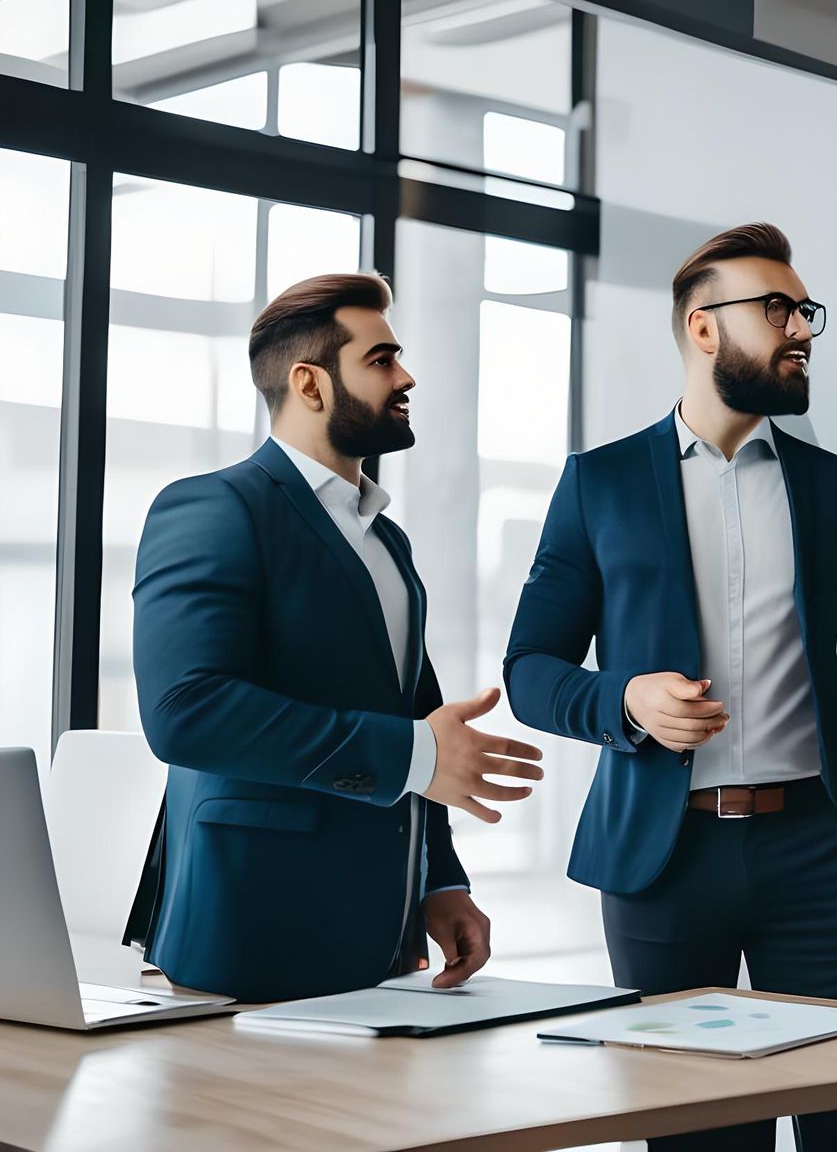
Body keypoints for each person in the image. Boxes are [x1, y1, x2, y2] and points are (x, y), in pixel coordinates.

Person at [504, 223, 837, 1151]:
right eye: (777, 309)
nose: (802, 330)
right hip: (664, 863)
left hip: (828, 852)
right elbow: (529, 671)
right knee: (693, 1129)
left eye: (805, 311)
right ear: (704, 328)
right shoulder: (599, 485)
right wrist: (625, 701)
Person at [131, 273, 543, 1003]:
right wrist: (414, 752)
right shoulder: (213, 507)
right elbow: (187, 712)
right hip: (248, 939)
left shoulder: (388, 539)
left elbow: (419, 725)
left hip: (379, 944)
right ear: (310, 383)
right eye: (381, 360)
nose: (405, 375)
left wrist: (438, 879)